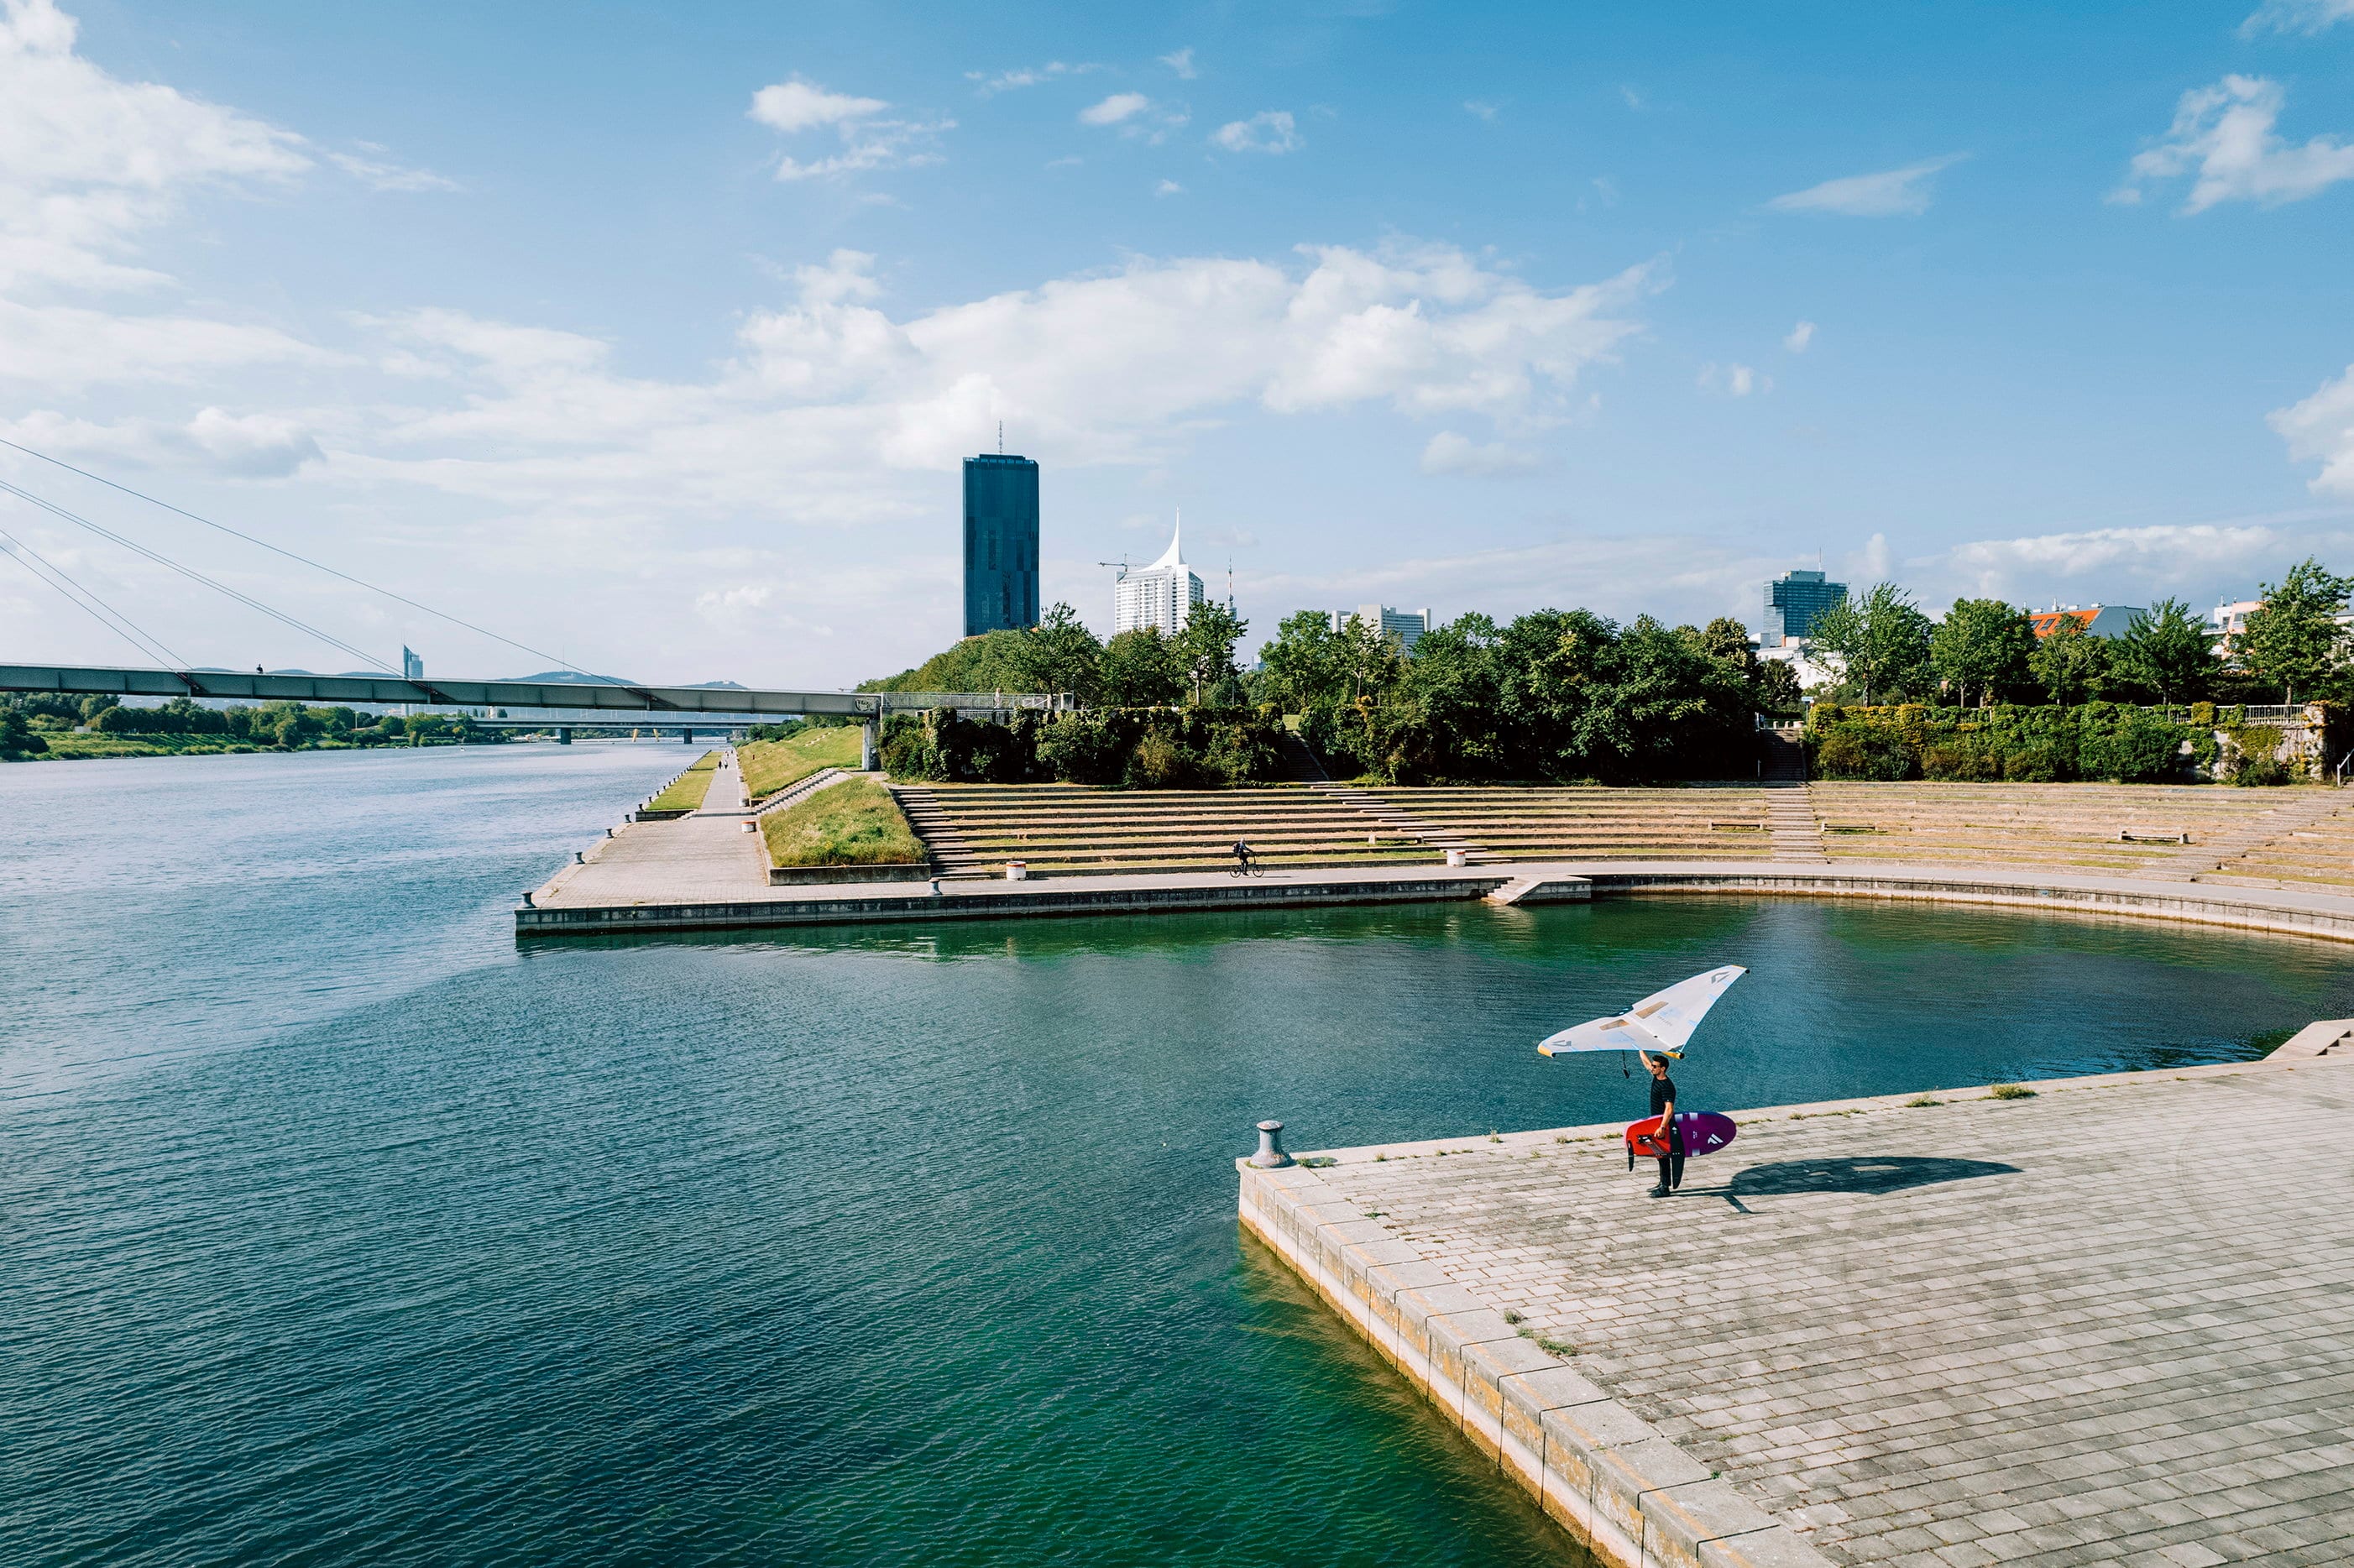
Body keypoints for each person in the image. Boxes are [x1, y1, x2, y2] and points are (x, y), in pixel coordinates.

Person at [1638, 1049, 1684, 1197]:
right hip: (1656, 1122)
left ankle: (1665, 1188)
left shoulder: (1666, 1086)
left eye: (1655, 1066)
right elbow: (1645, 1062)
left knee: (1663, 1154)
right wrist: (1639, 1047)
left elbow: (1669, 1108)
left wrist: (1662, 1127)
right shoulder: (1656, 1077)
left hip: (1663, 1124)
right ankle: (1663, 1183)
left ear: (1662, 1068)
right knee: (1659, 1154)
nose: (1651, 1068)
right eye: (1652, 1066)